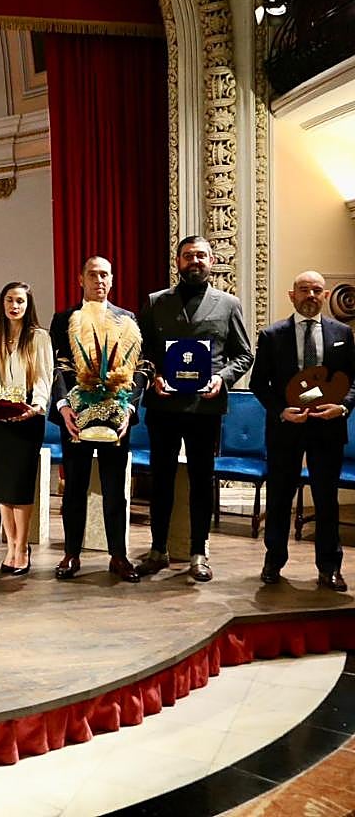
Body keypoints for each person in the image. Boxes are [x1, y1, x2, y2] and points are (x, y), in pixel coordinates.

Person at [135, 235, 253, 582]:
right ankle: (158, 549)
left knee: (202, 482)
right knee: (161, 481)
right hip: (163, 406)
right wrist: (153, 375)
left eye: (201, 255)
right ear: (178, 261)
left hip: (205, 407)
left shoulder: (228, 304)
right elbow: (141, 351)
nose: (195, 261)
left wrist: (222, 379)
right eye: (188, 256)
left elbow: (244, 353)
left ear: (212, 261)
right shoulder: (156, 302)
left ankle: (199, 552)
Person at [250, 271, 353, 592]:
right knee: (279, 498)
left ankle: (330, 568)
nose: (311, 295)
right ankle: (273, 562)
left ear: (324, 296)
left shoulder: (343, 334)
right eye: (304, 289)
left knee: (326, 500)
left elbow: (354, 381)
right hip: (286, 428)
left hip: (328, 427)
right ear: (291, 295)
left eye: (317, 290)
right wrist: (281, 410)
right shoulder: (272, 335)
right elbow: (258, 384)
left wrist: (344, 407)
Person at [49, 257, 143, 583]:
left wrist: (128, 409)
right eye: (93, 275)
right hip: (75, 418)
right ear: (80, 279)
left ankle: (118, 556)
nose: (99, 280)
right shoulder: (63, 319)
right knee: (74, 488)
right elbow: (56, 368)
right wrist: (64, 408)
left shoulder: (127, 319)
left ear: (112, 280)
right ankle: (71, 553)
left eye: (104, 275)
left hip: (116, 419)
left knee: (115, 490)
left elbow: (140, 369)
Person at [0, 282, 53, 576]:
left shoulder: (39, 338)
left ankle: (21, 546)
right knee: (2, 487)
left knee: (20, 487)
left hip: (27, 420)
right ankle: (9, 546)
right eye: (9, 300)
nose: (14, 305)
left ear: (27, 304)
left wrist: (38, 406)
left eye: (20, 300)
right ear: (2, 304)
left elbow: (45, 377)